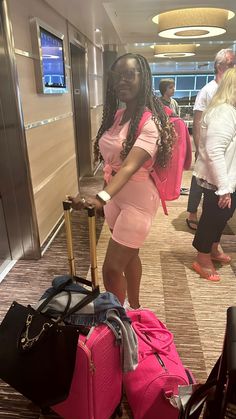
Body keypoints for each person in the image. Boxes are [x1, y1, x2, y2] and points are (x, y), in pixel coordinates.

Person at [69, 53, 175, 309]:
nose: (122, 81)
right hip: (116, 199)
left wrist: (100, 198)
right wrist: (104, 198)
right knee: (129, 256)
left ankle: (118, 320)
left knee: (110, 270)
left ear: (144, 78)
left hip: (138, 202)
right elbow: (112, 166)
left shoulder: (151, 122)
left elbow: (128, 167)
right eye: (117, 76)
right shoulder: (117, 116)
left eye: (130, 74)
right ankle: (135, 310)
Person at [192, 67, 236, 282]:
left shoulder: (230, 110)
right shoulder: (223, 111)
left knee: (222, 218)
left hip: (227, 179)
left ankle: (214, 249)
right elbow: (215, 151)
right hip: (218, 180)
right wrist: (224, 188)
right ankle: (202, 258)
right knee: (212, 218)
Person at [186, 48, 236, 230]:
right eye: (230, 64)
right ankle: (192, 211)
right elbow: (198, 121)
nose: (233, 67)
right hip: (209, 146)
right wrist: (199, 150)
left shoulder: (232, 86)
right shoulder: (207, 90)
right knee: (200, 179)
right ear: (219, 66)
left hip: (225, 147)